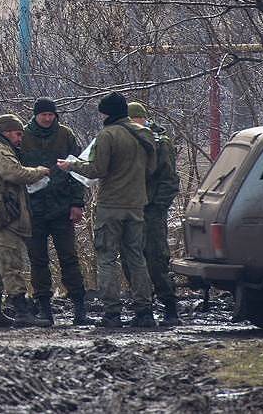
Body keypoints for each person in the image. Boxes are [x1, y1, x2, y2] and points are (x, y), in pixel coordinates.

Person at [57, 91, 157, 328]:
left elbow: (97, 170)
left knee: (107, 258)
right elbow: (151, 170)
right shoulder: (145, 134)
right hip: (136, 204)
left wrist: (72, 165)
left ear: (108, 112)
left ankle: (112, 312)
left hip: (111, 205)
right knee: (136, 258)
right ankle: (144, 311)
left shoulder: (108, 135)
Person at [0, 113, 52, 328]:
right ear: (7, 132)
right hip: (2, 217)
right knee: (11, 264)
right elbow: (13, 173)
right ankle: (21, 311)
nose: (20, 138)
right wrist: (39, 172)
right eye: (18, 134)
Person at [20, 97, 90, 326]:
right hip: (34, 209)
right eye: (44, 115)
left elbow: (77, 170)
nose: (48, 119)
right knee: (38, 260)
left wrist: (77, 203)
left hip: (62, 207)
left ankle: (79, 307)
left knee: (69, 258)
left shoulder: (66, 135)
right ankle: (44, 308)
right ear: (35, 115)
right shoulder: (23, 136)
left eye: (51, 115)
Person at [122, 101, 182, 326]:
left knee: (157, 259)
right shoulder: (127, 141)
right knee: (132, 260)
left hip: (152, 209)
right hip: (131, 207)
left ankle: (170, 307)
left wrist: (157, 207)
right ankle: (143, 308)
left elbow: (169, 179)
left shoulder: (160, 143)